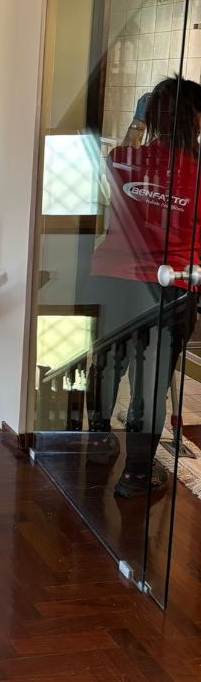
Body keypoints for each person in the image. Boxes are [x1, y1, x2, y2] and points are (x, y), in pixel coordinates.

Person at [87, 76, 200, 498]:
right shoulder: (198, 171)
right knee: (150, 380)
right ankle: (136, 475)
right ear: (194, 120)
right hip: (169, 286)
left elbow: (123, 156)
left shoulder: (122, 158)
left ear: (151, 116)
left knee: (107, 363)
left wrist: (142, 124)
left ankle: (98, 443)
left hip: (112, 279)